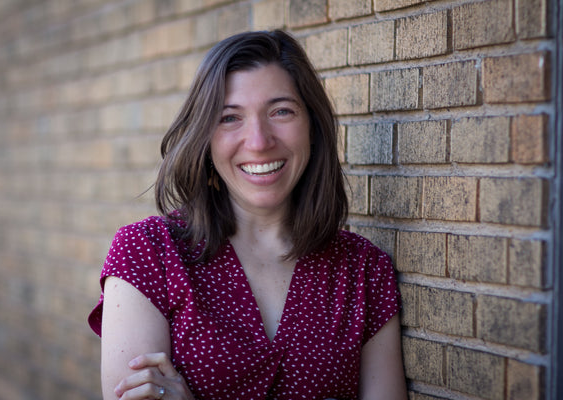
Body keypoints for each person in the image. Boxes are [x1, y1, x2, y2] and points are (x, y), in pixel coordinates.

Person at [88, 30, 407, 400]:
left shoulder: (363, 271)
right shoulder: (147, 255)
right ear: (204, 139)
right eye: (229, 118)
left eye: (281, 111)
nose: (259, 141)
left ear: (313, 128)